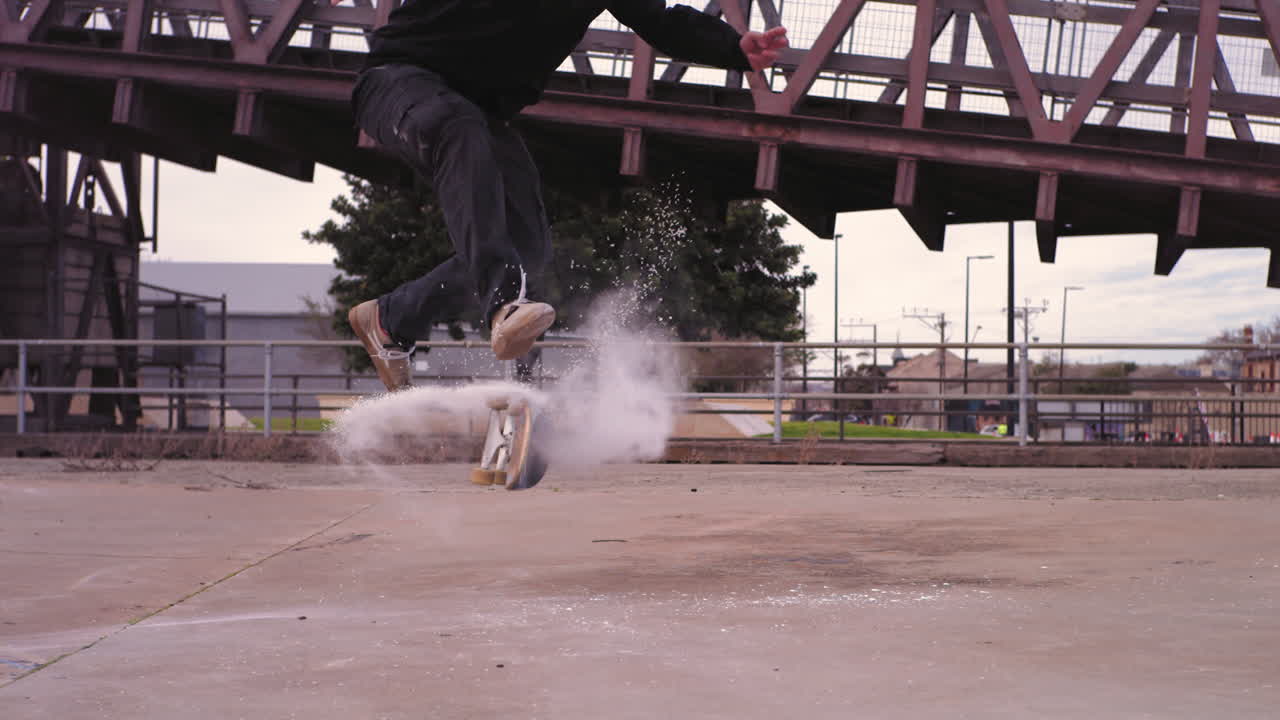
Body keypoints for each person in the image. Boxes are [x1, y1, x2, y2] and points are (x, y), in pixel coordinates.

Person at [343, 0, 788, 392]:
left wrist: (733, 48)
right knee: (458, 127)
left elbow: (661, 21)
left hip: (481, 114)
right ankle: (504, 306)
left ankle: (391, 319)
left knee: (528, 247)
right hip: (398, 81)